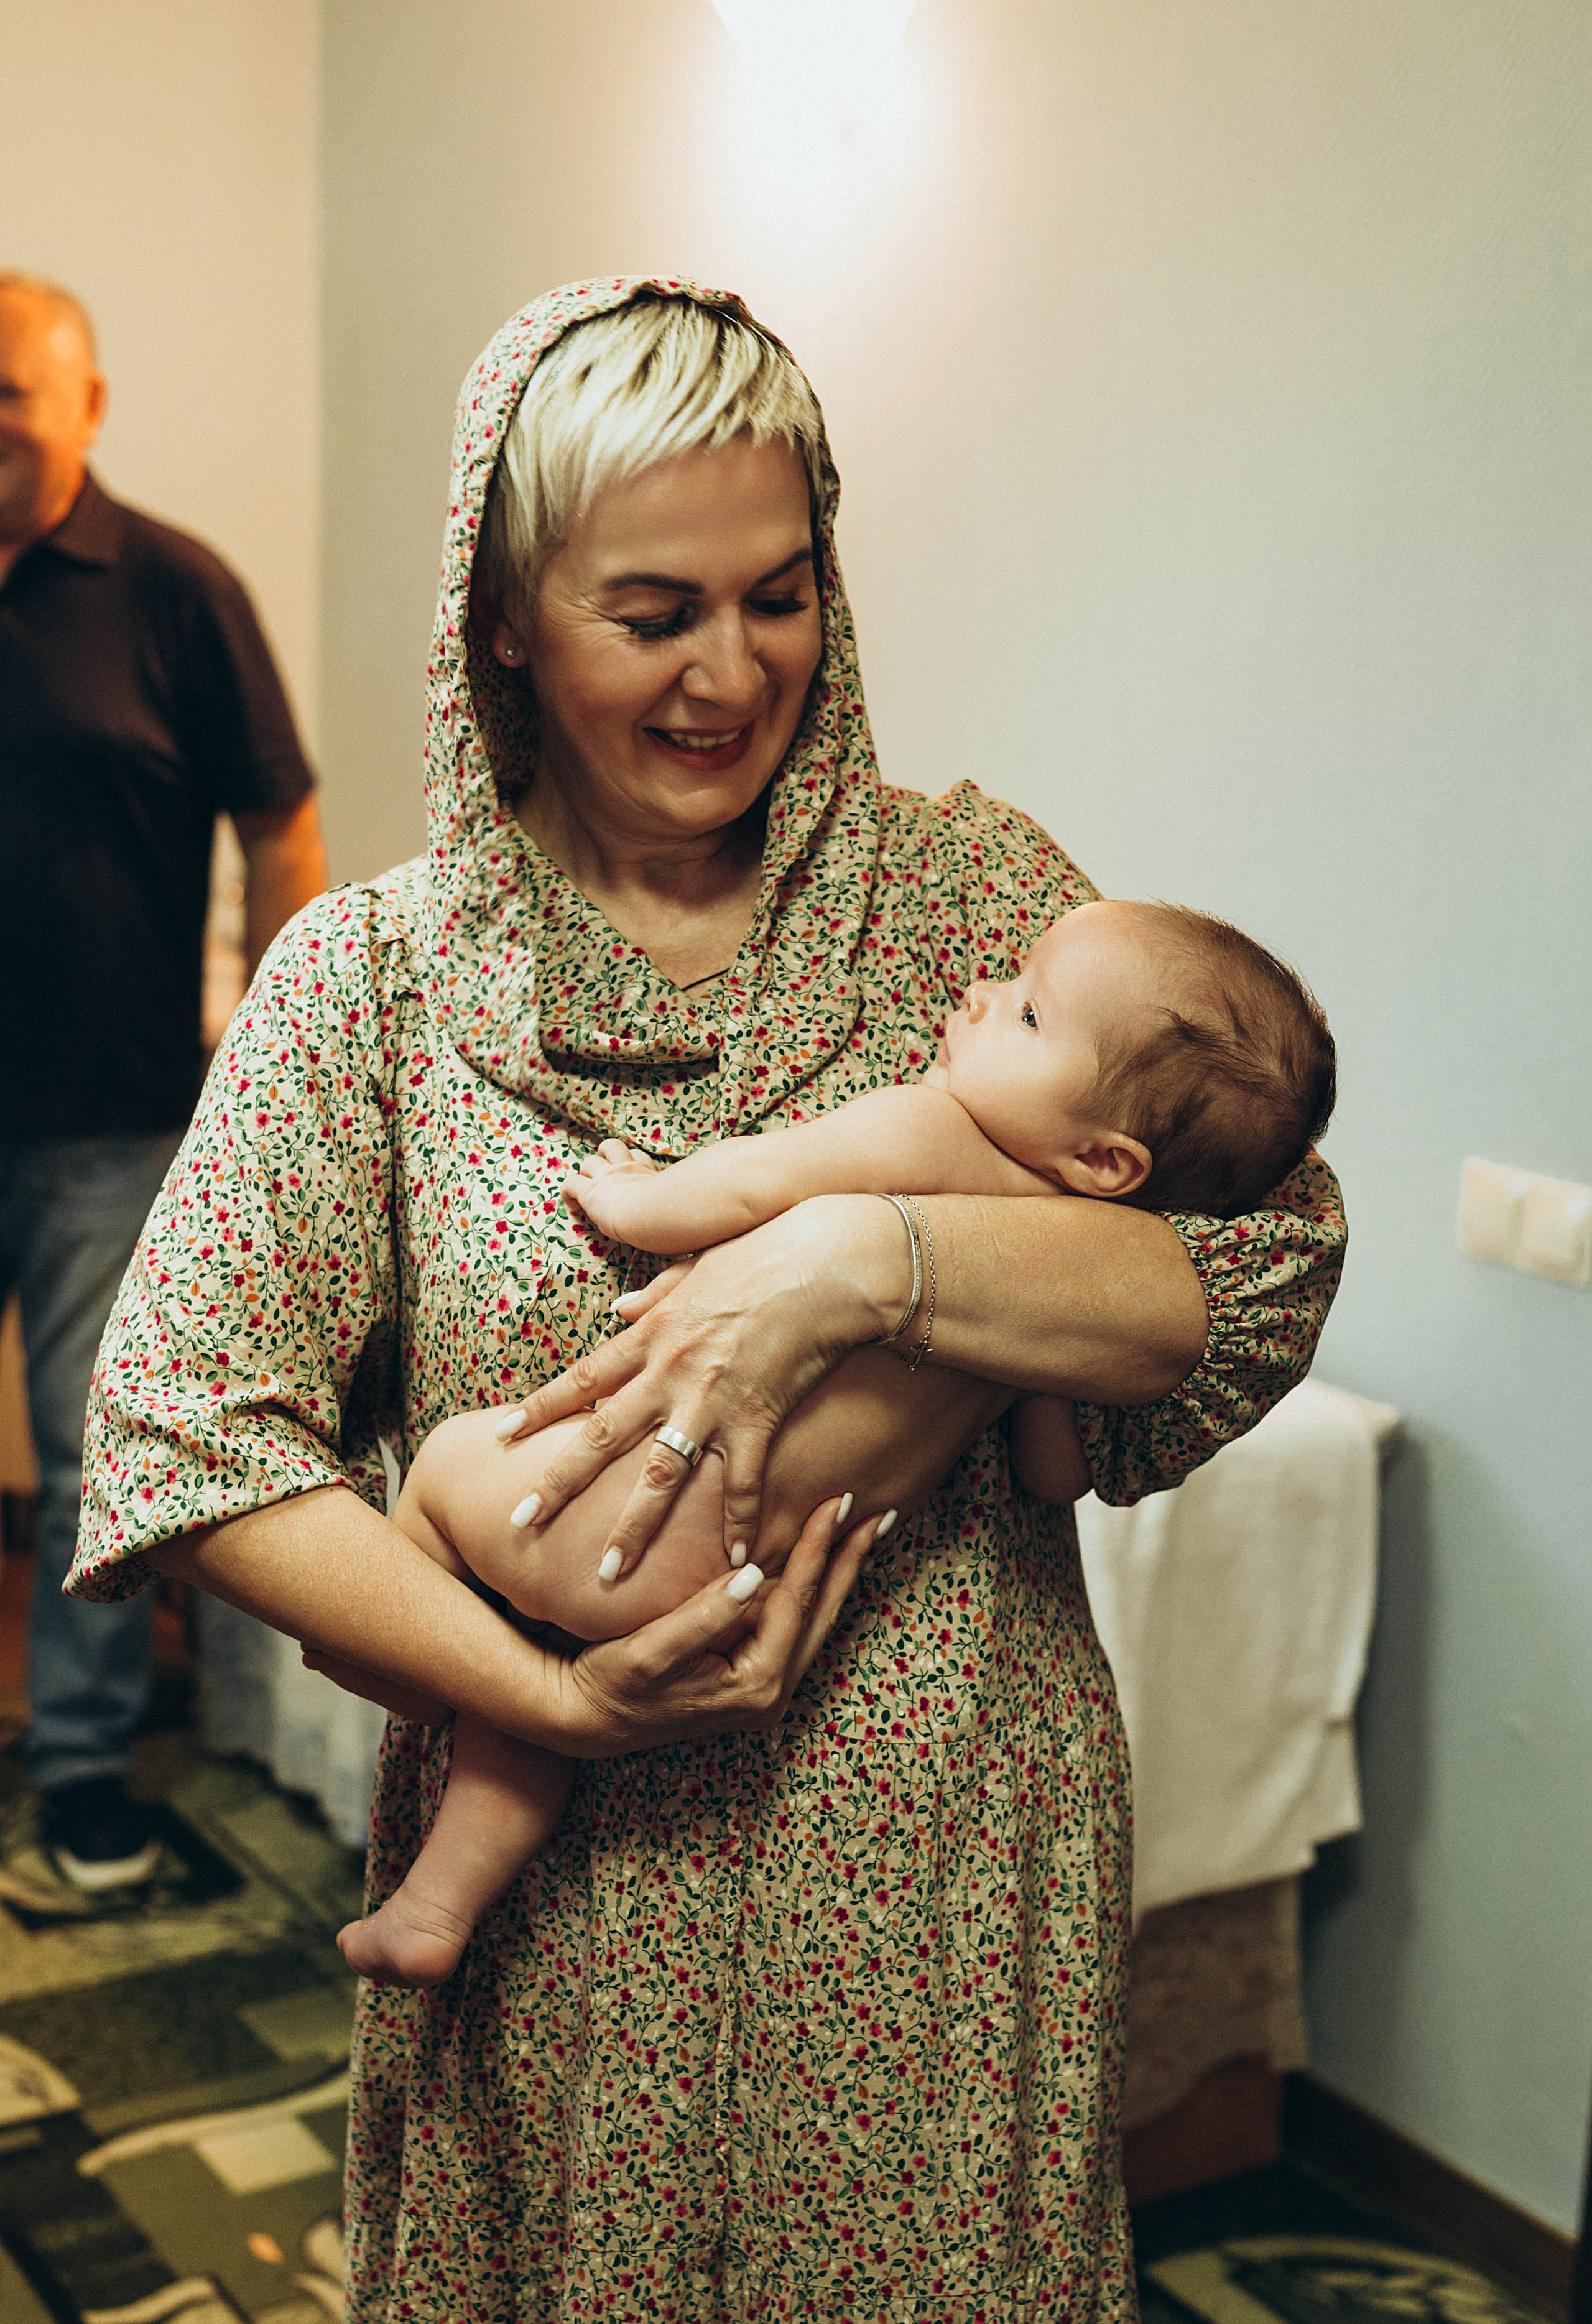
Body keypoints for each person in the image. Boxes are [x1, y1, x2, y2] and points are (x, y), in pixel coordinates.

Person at [72, 281, 1346, 2317]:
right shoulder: (371, 982)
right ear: (504, 611)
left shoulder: (980, 898)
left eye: (779, 594)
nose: (729, 672)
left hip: (936, 1899)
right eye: (653, 611)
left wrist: (875, 1254)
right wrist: (552, 1700)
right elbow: (185, 1434)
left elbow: (1264, 1244)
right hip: (560, 1909)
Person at [334, 896, 1337, 1987]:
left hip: (625, 1519)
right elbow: (1055, 1469)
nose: (983, 994)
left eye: (1031, 1016)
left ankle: (393, 1659)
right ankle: (436, 1902)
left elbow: (754, 1181)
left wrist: (629, 1194)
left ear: (1107, 1159)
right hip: (742, 1581)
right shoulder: (1055, 1280)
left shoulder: (933, 1131)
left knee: (442, 1476)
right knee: (540, 1671)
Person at [0, 271, 327, 1889]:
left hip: (111, 1114)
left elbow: (284, 828)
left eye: (8, 389)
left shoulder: (180, 591)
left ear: (86, 406)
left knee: (89, 1459)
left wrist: (268, 1070)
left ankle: (79, 1772)